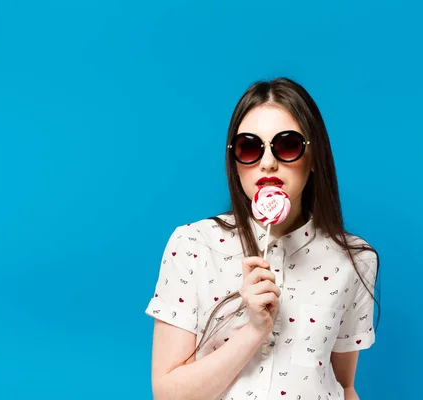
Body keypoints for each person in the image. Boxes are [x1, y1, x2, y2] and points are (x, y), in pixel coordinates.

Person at [144, 77, 380, 400]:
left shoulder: (354, 259)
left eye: (286, 145)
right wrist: (254, 331)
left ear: (312, 159)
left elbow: (344, 386)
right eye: (250, 148)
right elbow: (167, 393)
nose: (267, 162)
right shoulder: (193, 246)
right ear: (235, 162)